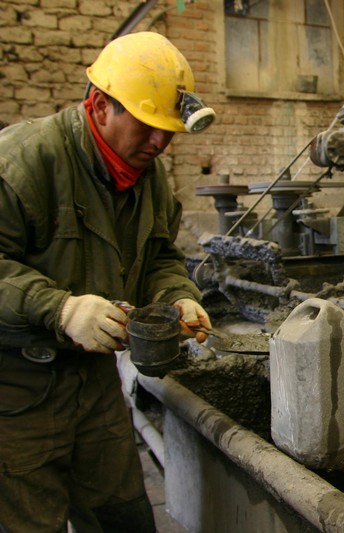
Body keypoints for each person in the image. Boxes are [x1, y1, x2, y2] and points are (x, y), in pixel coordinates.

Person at [0, 31, 214, 532]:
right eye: (147, 126)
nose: (161, 143)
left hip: (93, 386)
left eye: (168, 130)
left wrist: (176, 297)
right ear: (99, 106)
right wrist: (60, 309)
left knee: (124, 518)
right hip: (15, 394)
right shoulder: (23, 162)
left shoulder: (148, 179)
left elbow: (160, 255)